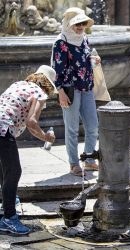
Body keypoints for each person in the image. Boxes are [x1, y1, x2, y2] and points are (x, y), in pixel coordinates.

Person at [0, 65, 57, 235]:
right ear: (47, 85)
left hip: (2, 126)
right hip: (3, 127)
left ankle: (7, 202)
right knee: (14, 171)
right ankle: (9, 218)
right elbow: (32, 122)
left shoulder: (18, 85)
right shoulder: (40, 93)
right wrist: (46, 137)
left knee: (4, 169)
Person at [51, 7, 100, 176]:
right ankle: (73, 163)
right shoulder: (61, 42)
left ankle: (89, 159)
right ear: (69, 24)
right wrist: (60, 92)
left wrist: (94, 60)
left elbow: (85, 61)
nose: (80, 27)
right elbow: (56, 70)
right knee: (71, 129)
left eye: (83, 23)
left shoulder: (84, 38)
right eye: (77, 23)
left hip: (86, 87)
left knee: (93, 126)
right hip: (69, 90)